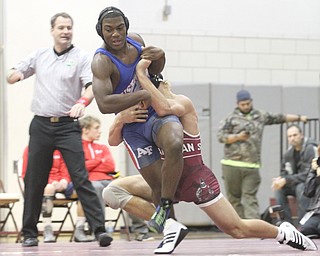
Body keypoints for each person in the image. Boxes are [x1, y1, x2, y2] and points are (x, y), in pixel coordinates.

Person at [103, 58, 318, 254]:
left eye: (145, 89)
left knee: (237, 229)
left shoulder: (180, 102)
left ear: (159, 85)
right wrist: (121, 118)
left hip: (194, 180)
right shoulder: (142, 113)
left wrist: (142, 75)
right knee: (113, 191)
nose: (142, 96)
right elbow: (114, 140)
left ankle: (283, 233)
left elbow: (165, 108)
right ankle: (170, 225)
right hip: (165, 180)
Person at [6, 12, 112, 247]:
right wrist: (13, 76)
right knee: (35, 179)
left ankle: (99, 230)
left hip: (67, 126)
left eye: (69, 27)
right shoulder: (40, 55)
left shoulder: (82, 57)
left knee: (80, 177)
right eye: (61, 27)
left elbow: (90, 87)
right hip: (41, 125)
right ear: (52, 30)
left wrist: (81, 103)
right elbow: (15, 73)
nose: (65, 31)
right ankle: (30, 233)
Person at [92, 6, 183, 233]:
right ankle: (171, 230)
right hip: (133, 127)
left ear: (127, 28)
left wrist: (160, 57)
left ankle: (164, 206)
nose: (115, 34)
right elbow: (103, 104)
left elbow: (154, 72)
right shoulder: (102, 61)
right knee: (156, 184)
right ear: (101, 32)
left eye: (120, 28)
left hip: (154, 114)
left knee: (175, 142)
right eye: (109, 30)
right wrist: (141, 94)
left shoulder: (136, 42)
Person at [217, 89, 308, 219]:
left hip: (251, 165)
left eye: (248, 103)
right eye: (243, 104)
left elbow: (279, 118)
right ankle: (239, 228)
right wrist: (238, 137)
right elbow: (221, 137)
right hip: (231, 164)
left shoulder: (260, 115)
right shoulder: (230, 118)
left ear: (251, 102)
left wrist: (299, 117)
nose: (246, 107)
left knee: (250, 198)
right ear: (237, 104)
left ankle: (254, 227)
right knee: (234, 199)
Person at [22, 147, 74, 243]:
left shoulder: (60, 149)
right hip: (45, 184)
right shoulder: (31, 149)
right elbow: (27, 173)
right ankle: (47, 227)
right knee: (48, 188)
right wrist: (51, 182)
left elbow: (65, 169)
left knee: (81, 190)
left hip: (60, 183)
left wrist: (64, 181)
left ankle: (81, 227)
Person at [272, 124, 317, 224]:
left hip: (313, 185)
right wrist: (279, 180)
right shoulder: (288, 153)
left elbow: (309, 174)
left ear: (302, 135)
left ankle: (303, 224)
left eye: (295, 135)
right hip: (297, 183)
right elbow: (284, 172)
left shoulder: (311, 148)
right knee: (279, 189)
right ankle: (285, 223)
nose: (292, 138)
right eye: (289, 136)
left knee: (300, 187)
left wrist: (286, 180)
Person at [300, 146, 320, 238]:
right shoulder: (317, 169)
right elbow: (308, 192)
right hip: (317, 212)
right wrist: (312, 171)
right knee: (306, 229)